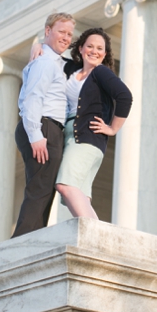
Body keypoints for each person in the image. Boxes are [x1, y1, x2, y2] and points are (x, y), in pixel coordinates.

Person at [55, 28, 132, 219]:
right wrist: (38, 47)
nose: (94, 51)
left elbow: (125, 96)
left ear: (104, 54)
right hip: (72, 137)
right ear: (81, 48)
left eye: (99, 48)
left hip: (87, 139)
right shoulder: (73, 70)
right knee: (80, 195)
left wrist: (113, 128)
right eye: (89, 46)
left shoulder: (100, 72)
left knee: (65, 185)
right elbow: (52, 58)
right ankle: (96, 237)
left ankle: (97, 236)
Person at [11, 12, 76, 238]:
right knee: (40, 190)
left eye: (69, 34)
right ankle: (20, 246)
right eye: (61, 31)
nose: (66, 37)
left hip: (46, 127)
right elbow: (33, 98)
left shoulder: (54, 61)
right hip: (43, 126)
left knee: (43, 189)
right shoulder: (46, 62)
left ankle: (31, 241)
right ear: (48, 31)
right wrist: (36, 134)